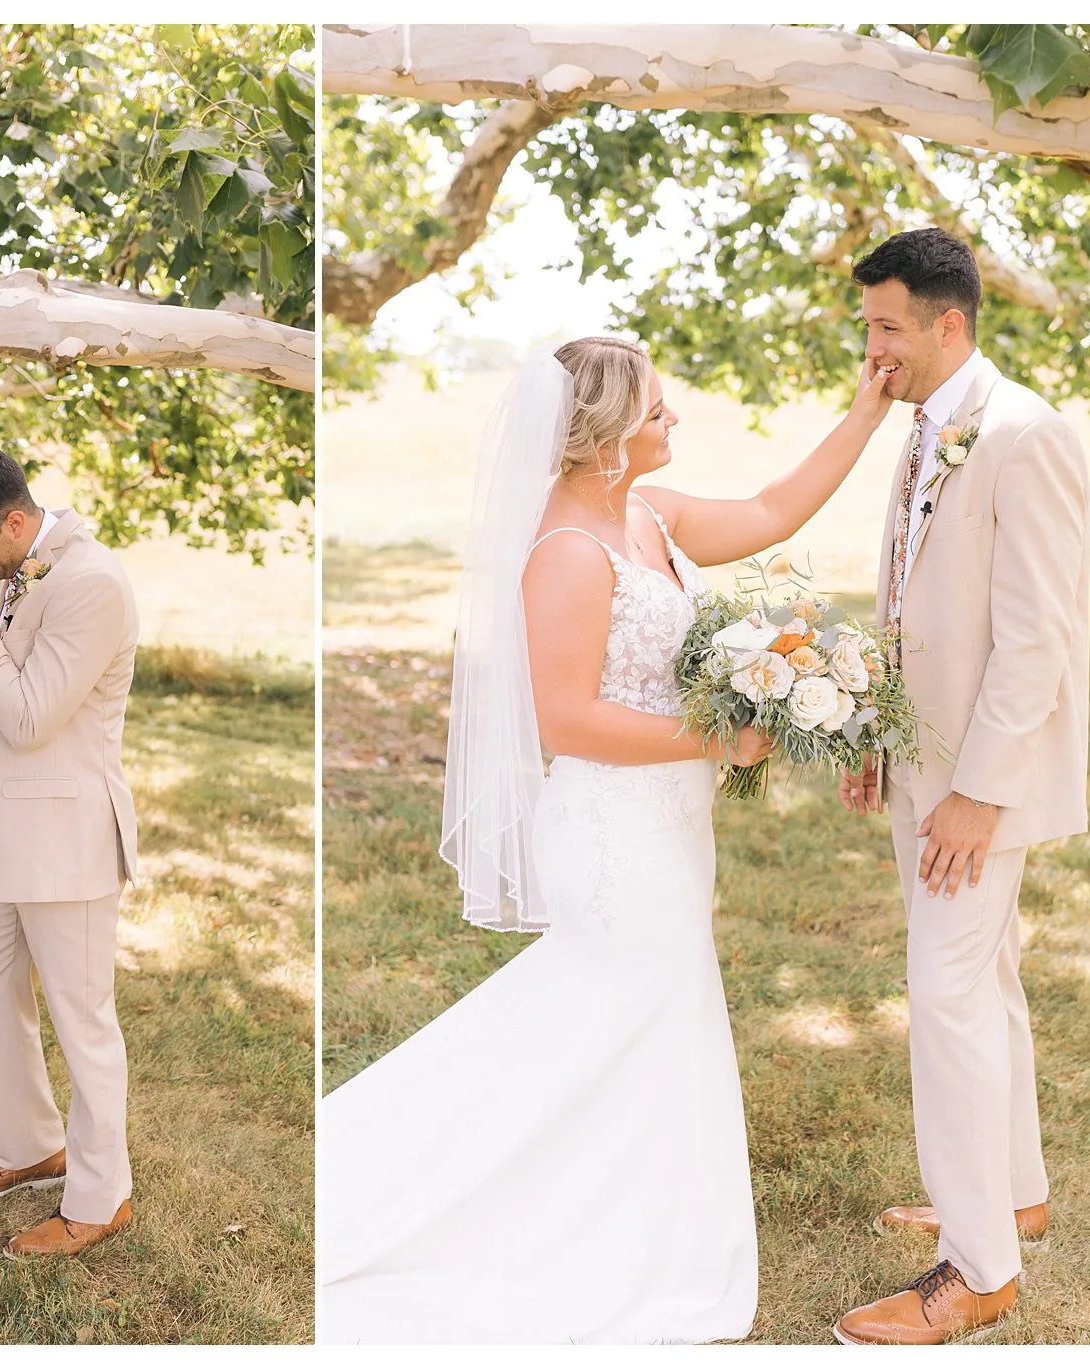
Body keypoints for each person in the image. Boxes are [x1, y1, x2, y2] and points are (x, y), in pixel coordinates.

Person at [318, 336, 893, 1342]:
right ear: (604, 436)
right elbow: (567, 720)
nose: (674, 421)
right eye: (657, 411)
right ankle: (577, 1231)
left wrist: (865, 414)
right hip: (610, 833)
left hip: (668, 822)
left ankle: (625, 1217)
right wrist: (718, 736)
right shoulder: (565, 555)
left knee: (631, 1026)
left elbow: (770, 511)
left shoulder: (647, 513)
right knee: (625, 1017)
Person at [833, 227, 1089, 1345]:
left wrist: (978, 792)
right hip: (920, 760)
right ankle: (1014, 1193)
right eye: (867, 326)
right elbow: (908, 600)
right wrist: (876, 732)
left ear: (949, 322)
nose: (872, 348)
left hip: (978, 784)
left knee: (943, 996)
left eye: (888, 326)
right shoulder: (924, 427)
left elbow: (1036, 638)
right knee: (985, 980)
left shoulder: (1023, 434)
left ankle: (979, 1268)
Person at [0, 445, 141, 1258]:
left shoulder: (91, 582)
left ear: (14, 522)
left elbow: (27, 717)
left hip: (66, 832)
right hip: (1, 817)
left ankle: (100, 1197)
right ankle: (30, 1145)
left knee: (82, 1019)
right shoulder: (19, 566)